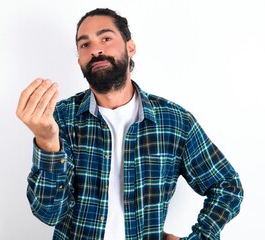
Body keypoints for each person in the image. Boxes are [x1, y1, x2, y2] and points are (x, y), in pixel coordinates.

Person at [16, 8, 243, 240]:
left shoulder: (174, 121)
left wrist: (200, 236)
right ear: (79, 60)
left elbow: (227, 186)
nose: (96, 49)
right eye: (85, 45)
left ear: (130, 47)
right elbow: (48, 213)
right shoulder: (61, 117)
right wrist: (46, 141)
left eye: (106, 38)